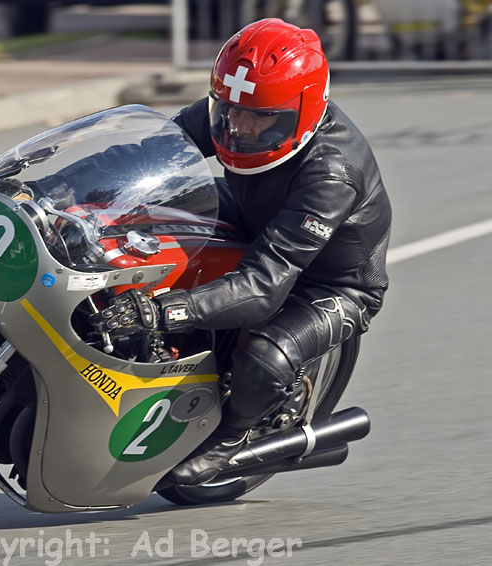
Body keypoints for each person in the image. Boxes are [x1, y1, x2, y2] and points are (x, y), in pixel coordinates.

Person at [89, 18, 392, 487]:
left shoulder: (331, 175)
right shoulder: (238, 109)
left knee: (265, 353)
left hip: (328, 282)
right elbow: (155, 156)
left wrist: (166, 311)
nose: (240, 127)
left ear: (302, 110)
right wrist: (76, 185)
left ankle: (231, 438)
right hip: (256, 222)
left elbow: (266, 285)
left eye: (260, 117)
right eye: (229, 110)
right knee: (144, 217)